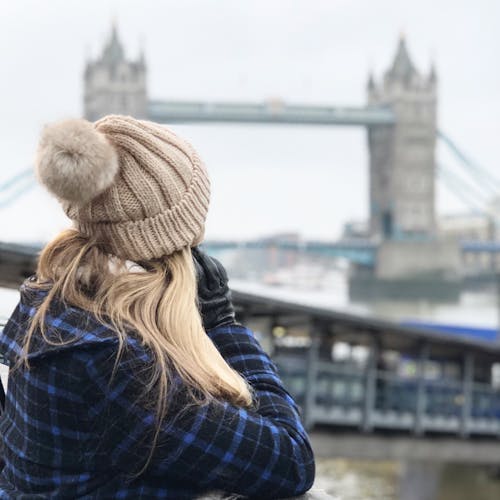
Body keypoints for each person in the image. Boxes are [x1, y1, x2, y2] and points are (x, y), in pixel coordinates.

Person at [0, 115, 315, 499]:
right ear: (177, 241)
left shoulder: (45, 303)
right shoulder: (123, 367)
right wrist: (223, 325)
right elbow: (290, 462)